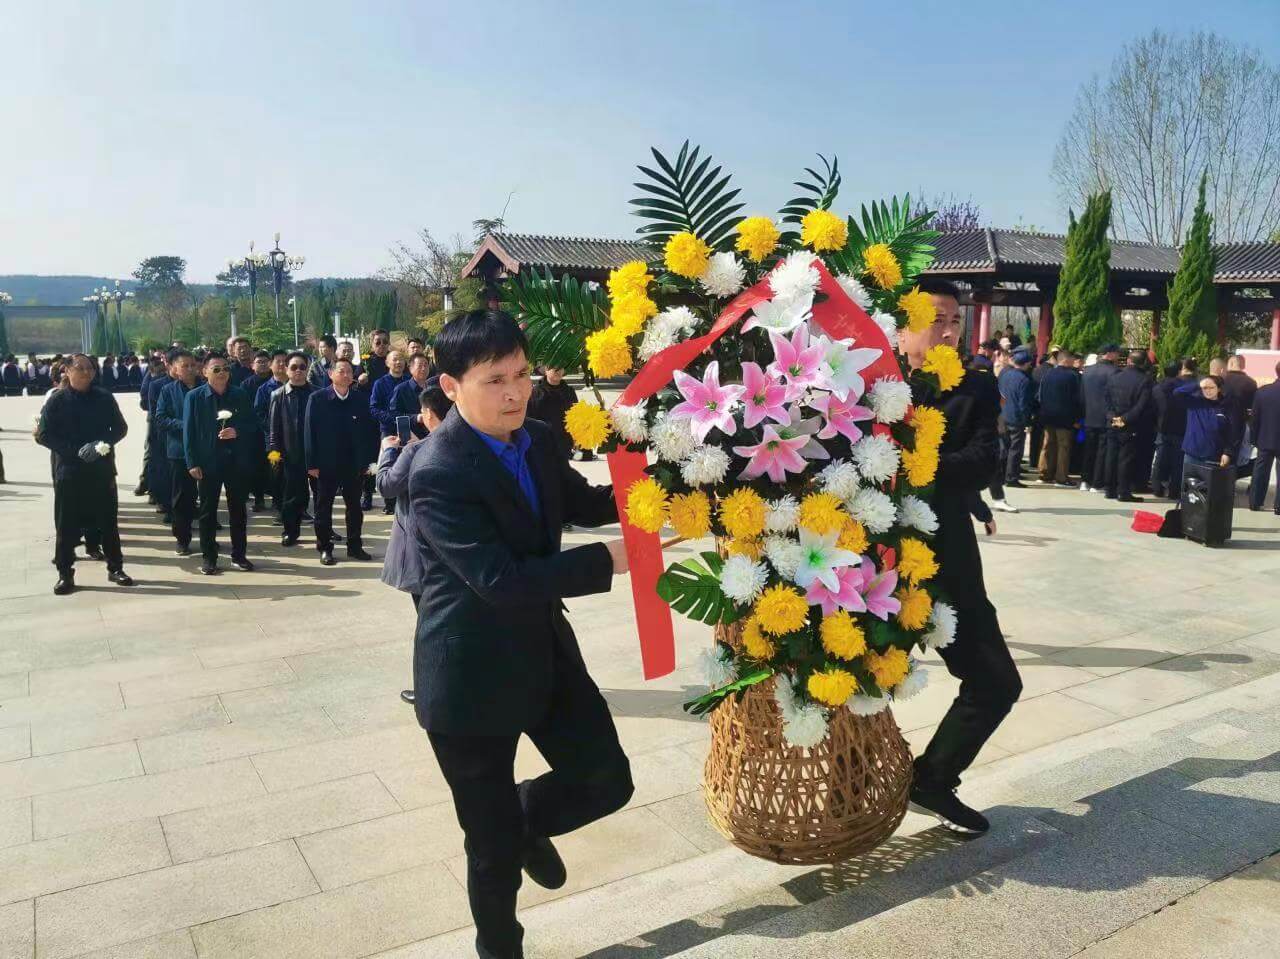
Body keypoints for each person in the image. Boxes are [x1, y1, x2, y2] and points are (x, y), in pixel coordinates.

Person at [409, 310, 632, 958]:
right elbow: (498, 580)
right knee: (493, 853)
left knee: (607, 780)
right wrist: (603, 561)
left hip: (543, 651)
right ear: (450, 386)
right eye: (495, 380)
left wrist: (662, 483)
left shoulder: (535, 437)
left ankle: (524, 814)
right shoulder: (437, 471)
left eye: (521, 374)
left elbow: (584, 503)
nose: (515, 392)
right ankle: (499, 947)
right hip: (469, 676)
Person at [902, 280, 1020, 836]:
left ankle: (933, 778)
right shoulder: (863, 382)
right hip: (860, 562)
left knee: (996, 681)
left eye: (955, 321)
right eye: (936, 319)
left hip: (945, 557)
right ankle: (840, 796)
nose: (949, 331)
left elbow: (982, 461)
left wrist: (912, 464)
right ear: (901, 325)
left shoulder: (975, 386)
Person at [377, 375, 455, 706]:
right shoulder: (466, 443)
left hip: (421, 554)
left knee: (429, 627)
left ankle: (430, 690)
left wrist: (387, 453)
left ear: (428, 413)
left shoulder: (415, 450)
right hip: (455, 552)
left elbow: (386, 486)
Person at [36, 354, 134, 595]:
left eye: (90, 368)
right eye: (80, 368)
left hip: (101, 469)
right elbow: (44, 434)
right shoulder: (57, 400)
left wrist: (101, 444)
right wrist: (73, 451)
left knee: (108, 522)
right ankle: (65, 573)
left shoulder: (104, 397)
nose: (86, 372)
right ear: (67, 371)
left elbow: (120, 428)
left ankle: (115, 567)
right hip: (69, 471)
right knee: (66, 524)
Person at [183, 353, 259, 575]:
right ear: (204, 372)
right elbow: (189, 432)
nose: (222, 373)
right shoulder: (195, 397)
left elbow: (253, 424)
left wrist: (238, 431)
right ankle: (209, 557)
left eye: (225, 368)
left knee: (238, 510)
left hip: (236, 461)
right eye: (216, 369)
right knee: (208, 512)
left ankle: (239, 555)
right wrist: (192, 462)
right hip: (208, 462)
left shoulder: (239, 394)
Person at [304, 357, 378, 565]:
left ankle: (355, 546)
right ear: (330, 374)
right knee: (323, 507)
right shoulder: (318, 399)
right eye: (341, 371)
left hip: (353, 464)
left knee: (354, 507)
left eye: (349, 372)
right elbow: (309, 432)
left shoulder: (360, 399)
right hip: (326, 463)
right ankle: (324, 547)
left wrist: (369, 462)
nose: (346, 375)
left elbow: (369, 433)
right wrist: (311, 464)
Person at [154, 350, 201, 555]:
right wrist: (186, 425)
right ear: (174, 368)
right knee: (182, 497)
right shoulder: (167, 391)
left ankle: (208, 538)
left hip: (206, 450)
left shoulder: (206, 387)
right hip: (179, 451)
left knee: (207, 496)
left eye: (193, 365)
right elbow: (160, 418)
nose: (190, 369)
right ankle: (182, 539)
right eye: (185, 366)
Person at [268, 351, 316, 546]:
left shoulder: (317, 393)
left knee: (322, 495)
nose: (298, 371)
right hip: (290, 453)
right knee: (291, 497)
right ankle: (290, 531)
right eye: (294, 367)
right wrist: (274, 455)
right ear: (286, 369)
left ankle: (325, 530)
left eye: (302, 367)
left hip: (314, 452)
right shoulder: (277, 395)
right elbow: (273, 429)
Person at [1102, 350, 1153, 503]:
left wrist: (1113, 417)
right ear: (1143, 363)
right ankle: (1123, 491)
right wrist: (1124, 419)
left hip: (1113, 422)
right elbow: (1141, 406)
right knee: (1126, 459)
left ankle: (1109, 489)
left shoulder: (1114, 377)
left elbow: (1106, 400)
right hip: (1131, 424)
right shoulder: (1145, 380)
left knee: (1111, 456)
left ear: (1129, 361)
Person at [1151, 358, 1196, 499]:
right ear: (1179, 371)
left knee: (1160, 459)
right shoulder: (1185, 387)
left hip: (1162, 427)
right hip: (1180, 427)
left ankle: (1157, 488)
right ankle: (1174, 491)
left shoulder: (1157, 387)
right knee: (1178, 461)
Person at [1036, 349, 1081, 486]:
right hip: (1065, 418)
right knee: (1063, 447)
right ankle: (1061, 477)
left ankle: (1045, 473)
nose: (1074, 361)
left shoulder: (1047, 374)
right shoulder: (1072, 376)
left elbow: (1040, 395)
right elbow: (1075, 399)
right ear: (1066, 360)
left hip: (1047, 416)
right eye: (1072, 359)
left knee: (1048, 445)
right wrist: (1076, 418)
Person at [1080, 343, 1121, 492]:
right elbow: (1116, 397)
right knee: (1102, 451)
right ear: (1109, 354)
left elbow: (1082, 396)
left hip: (1089, 415)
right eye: (1117, 353)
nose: (1118, 355)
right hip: (1106, 417)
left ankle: (1085, 480)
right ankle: (1097, 483)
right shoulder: (1114, 371)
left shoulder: (1087, 371)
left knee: (1089, 449)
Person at [255, 350, 290, 518]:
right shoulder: (264, 389)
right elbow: (259, 414)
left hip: (293, 440)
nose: (282, 364)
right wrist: (274, 428)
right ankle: (279, 506)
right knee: (276, 472)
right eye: (278, 361)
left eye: (285, 361)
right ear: (271, 365)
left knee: (293, 473)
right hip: (272, 441)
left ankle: (297, 507)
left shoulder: (297, 385)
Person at [1175, 375, 1233, 472]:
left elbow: (1231, 432)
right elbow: (1177, 393)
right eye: (1205, 388)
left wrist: (1227, 452)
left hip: (1213, 456)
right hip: (1192, 454)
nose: (1208, 391)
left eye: (1211, 387)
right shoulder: (1195, 402)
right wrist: (1198, 385)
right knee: (1189, 481)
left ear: (1218, 389)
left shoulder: (1225, 407)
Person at [997, 348, 1036, 487]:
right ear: (1026, 363)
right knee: (1015, 449)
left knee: (1003, 447)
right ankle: (1011, 477)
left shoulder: (1005, 374)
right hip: (1016, 418)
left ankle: (1000, 475)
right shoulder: (1025, 380)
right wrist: (1027, 421)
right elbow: (1023, 403)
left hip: (1003, 414)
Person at [1247, 361, 1280, 513]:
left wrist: (1254, 439)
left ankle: (1255, 502)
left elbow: (1254, 418)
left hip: (1265, 438)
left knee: (1260, 472)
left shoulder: (1262, 392)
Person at [527, 367, 580, 461]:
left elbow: (577, 417)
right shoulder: (535, 392)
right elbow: (529, 420)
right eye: (553, 367)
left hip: (565, 446)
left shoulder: (569, 392)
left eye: (560, 368)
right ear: (545, 370)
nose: (557, 371)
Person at [1222, 354, 1258, 466]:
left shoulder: (1222, 380)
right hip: (1240, 425)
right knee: (1234, 460)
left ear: (1231, 363)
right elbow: (1251, 408)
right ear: (1242, 366)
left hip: (1219, 422)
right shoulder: (1250, 383)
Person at [392, 353, 434, 440]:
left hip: (432, 436)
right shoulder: (401, 390)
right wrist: (416, 418)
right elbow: (394, 415)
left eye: (426, 365)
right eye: (420, 366)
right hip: (411, 437)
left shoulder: (432, 388)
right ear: (411, 369)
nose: (423, 368)